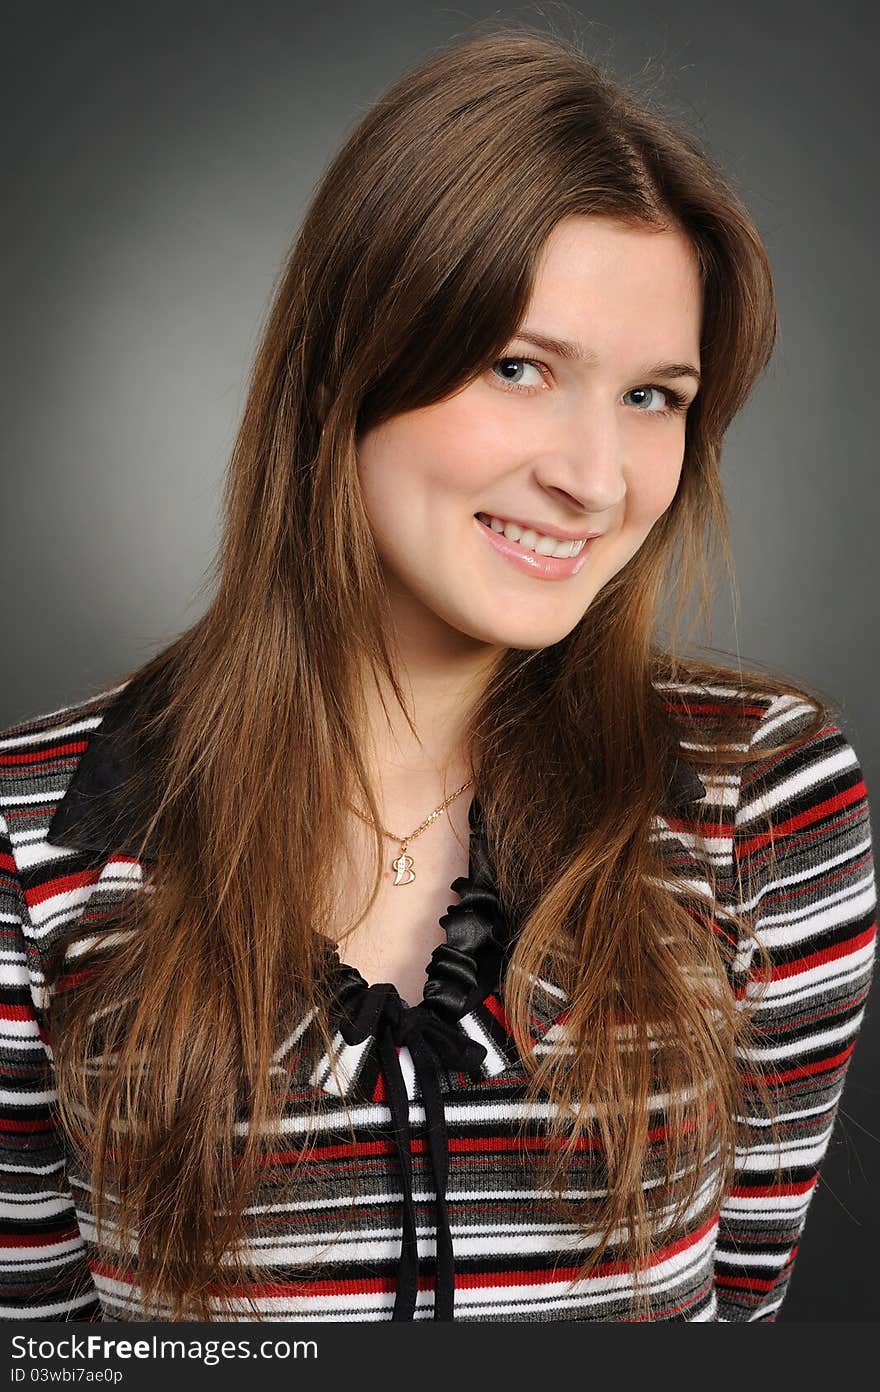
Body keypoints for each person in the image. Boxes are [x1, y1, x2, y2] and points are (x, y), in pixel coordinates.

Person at [0, 26, 876, 1325]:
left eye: (654, 398)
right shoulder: (34, 825)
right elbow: (48, 1348)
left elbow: (741, 1318)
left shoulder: (764, 800)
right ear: (348, 370)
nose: (594, 477)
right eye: (519, 368)